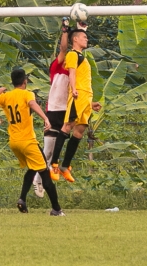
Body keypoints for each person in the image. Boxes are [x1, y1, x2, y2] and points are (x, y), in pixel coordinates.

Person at [0, 69, 65, 216]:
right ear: (25, 81)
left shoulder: (5, 96)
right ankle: (56, 209)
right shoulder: (27, 94)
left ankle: (22, 199)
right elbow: (32, 104)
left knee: (33, 168)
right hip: (27, 142)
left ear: (12, 81)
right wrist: (45, 118)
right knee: (45, 174)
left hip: (14, 143)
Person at [47, 23, 101, 183]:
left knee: (79, 132)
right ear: (75, 39)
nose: (87, 39)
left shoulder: (82, 57)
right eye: (84, 37)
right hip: (78, 96)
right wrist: (74, 89)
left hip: (86, 98)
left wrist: (91, 102)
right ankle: (54, 164)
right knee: (67, 127)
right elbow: (72, 74)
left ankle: (65, 165)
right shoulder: (72, 54)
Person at [33, 18, 72, 195]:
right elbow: (63, 49)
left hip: (67, 112)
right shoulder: (57, 67)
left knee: (57, 150)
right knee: (47, 151)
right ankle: (37, 179)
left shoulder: (75, 71)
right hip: (54, 111)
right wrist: (65, 30)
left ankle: (46, 179)